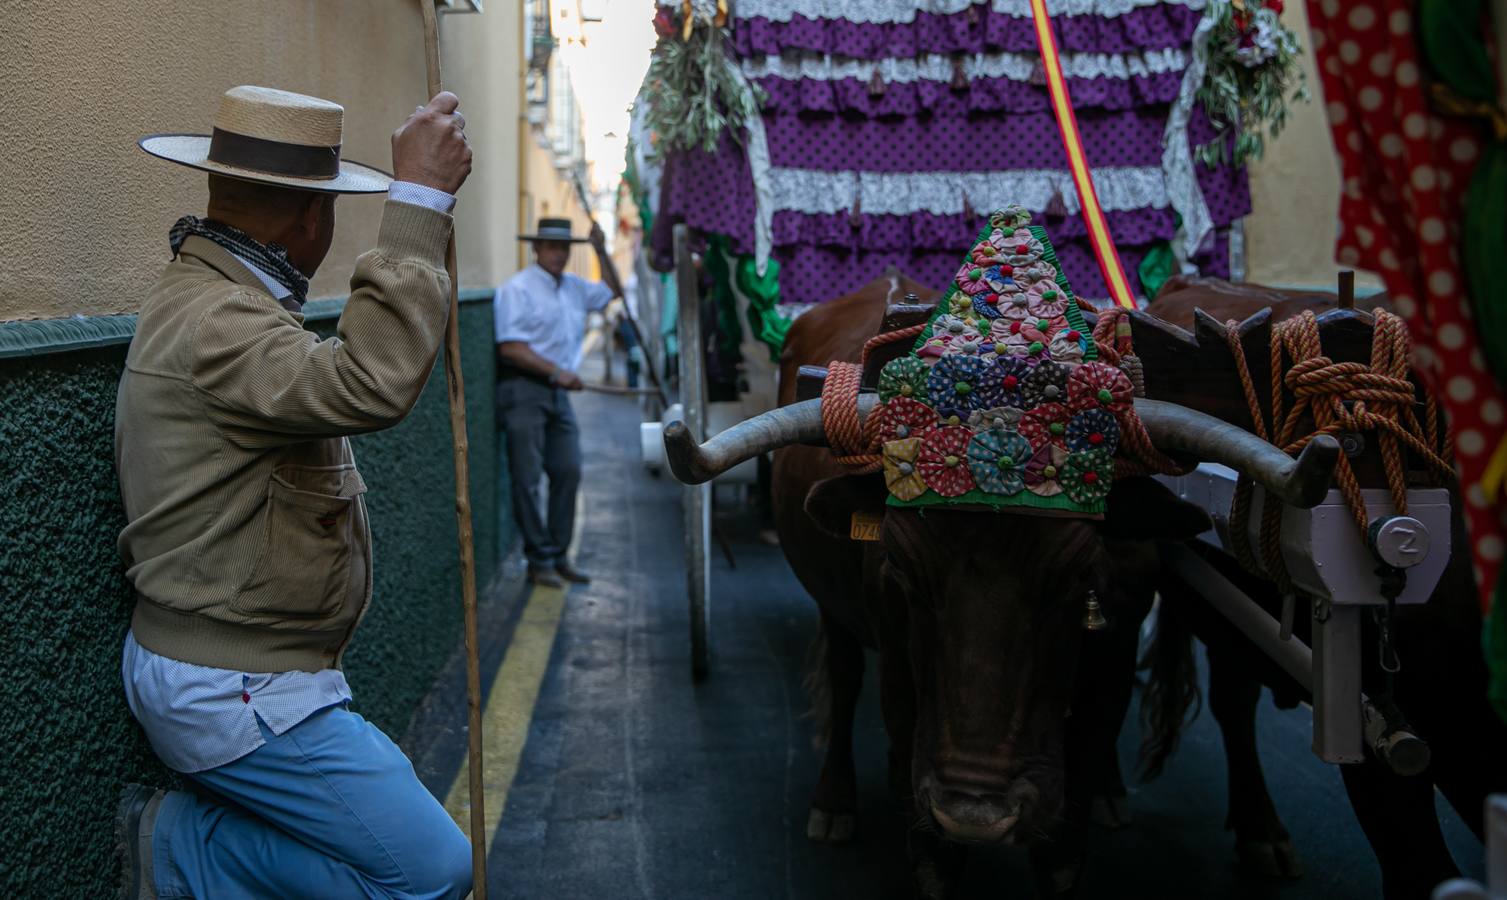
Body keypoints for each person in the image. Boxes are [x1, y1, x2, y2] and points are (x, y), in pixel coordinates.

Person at [114, 85, 473, 899]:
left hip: (247, 676)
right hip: (231, 687)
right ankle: (184, 850)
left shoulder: (216, 299)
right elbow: (370, 384)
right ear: (314, 221)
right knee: (432, 873)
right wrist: (419, 202)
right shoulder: (218, 321)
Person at [494, 217, 622, 587]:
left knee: (568, 470)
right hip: (524, 390)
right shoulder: (516, 289)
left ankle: (559, 553)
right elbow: (511, 347)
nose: (559, 253)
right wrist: (555, 371)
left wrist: (600, 249)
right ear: (536, 248)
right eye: (551, 246)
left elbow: (613, 290)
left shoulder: (574, 288)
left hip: (558, 392)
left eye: (564, 247)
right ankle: (539, 560)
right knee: (528, 478)